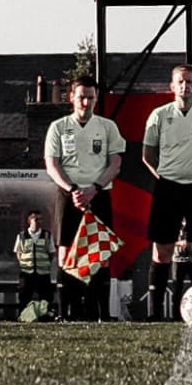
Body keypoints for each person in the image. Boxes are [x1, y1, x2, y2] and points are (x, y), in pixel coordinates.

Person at [136, 63, 192, 295]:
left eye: (190, 82)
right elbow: (147, 155)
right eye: (181, 82)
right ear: (172, 86)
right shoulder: (159, 115)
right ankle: (155, 314)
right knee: (162, 250)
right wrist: (166, 176)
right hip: (168, 189)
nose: (185, 86)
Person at [41, 74, 125, 272]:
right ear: (71, 97)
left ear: (96, 98)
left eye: (91, 97)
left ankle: (98, 302)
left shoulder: (108, 127)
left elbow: (115, 164)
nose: (86, 103)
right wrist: (74, 190)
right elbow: (52, 165)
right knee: (66, 251)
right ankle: (67, 302)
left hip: (98, 194)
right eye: (81, 97)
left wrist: (94, 189)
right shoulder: (58, 127)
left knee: (101, 254)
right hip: (68, 195)